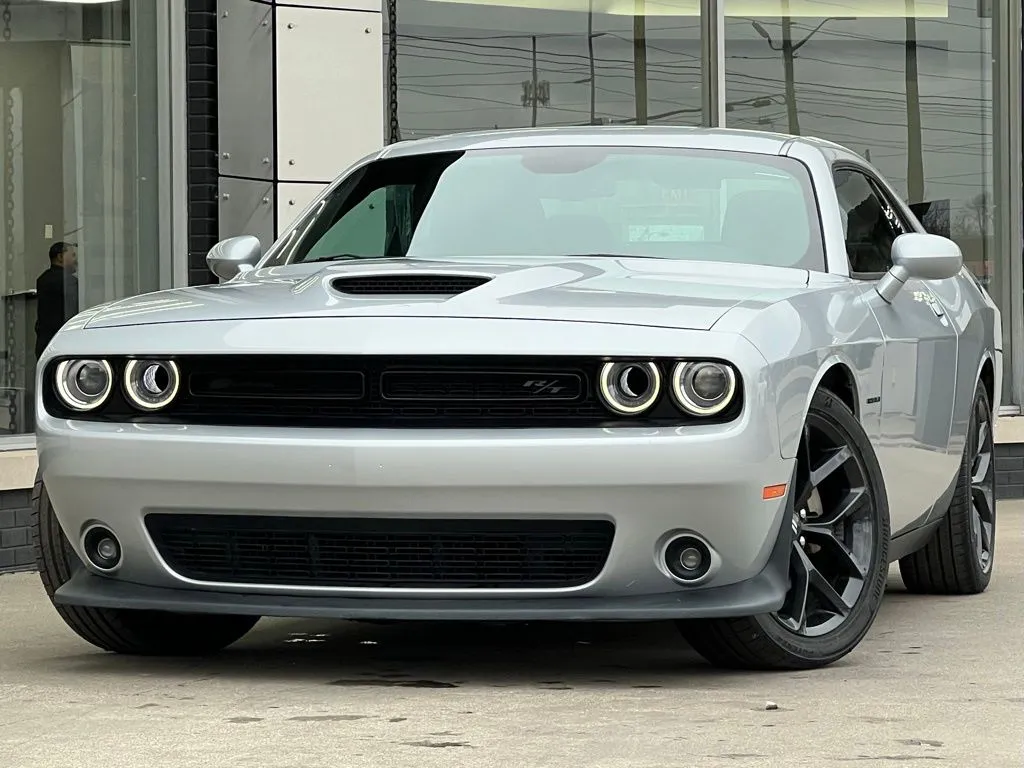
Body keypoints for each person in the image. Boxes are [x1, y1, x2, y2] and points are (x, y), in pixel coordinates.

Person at [35, 241, 79, 359]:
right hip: (63, 342)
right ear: (60, 257)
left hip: (44, 342)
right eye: (73, 255)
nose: (76, 260)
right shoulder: (69, 282)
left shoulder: (42, 279)